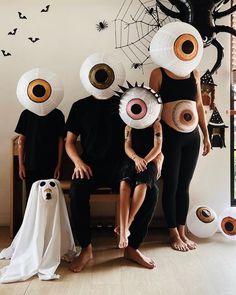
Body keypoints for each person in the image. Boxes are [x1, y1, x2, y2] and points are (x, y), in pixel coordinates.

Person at [65, 94, 162, 272]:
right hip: (89, 166)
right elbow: (69, 142)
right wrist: (78, 163)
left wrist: (157, 158)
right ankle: (86, 249)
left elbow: (148, 132)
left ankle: (132, 248)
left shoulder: (128, 103)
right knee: (77, 190)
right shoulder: (80, 105)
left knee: (152, 191)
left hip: (123, 165)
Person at [149, 67, 211, 252]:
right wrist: (156, 142)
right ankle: (173, 233)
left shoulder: (195, 73)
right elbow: (152, 108)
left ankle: (182, 231)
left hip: (192, 138)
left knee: (184, 185)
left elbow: (199, 104)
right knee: (171, 184)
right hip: (170, 137)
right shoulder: (158, 73)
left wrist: (206, 134)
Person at [117, 120, 162, 248]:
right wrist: (136, 159)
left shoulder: (156, 125)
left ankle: (127, 224)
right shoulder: (129, 125)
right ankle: (123, 232)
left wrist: (145, 161)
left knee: (142, 183)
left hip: (150, 160)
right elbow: (127, 146)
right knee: (124, 184)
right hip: (132, 158)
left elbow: (158, 147)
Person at [15, 108, 65, 196]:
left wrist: (59, 165)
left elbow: (61, 141)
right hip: (31, 165)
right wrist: (21, 165)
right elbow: (21, 140)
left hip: (51, 166)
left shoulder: (57, 114)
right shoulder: (26, 113)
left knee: (50, 197)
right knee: (32, 196)